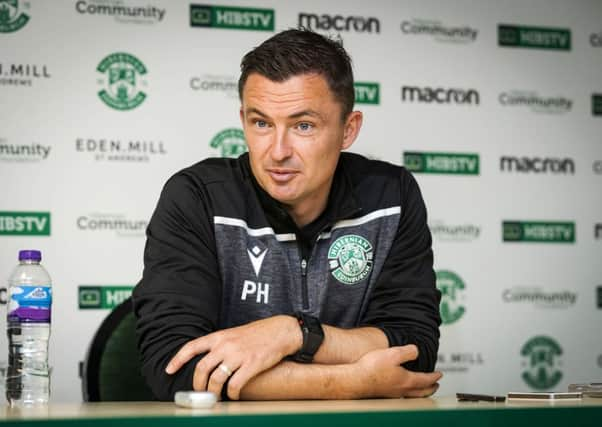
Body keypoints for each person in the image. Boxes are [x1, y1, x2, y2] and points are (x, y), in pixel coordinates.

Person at [133, 28, 442, 401]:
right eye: (261, 123)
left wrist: (291, 333)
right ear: (243, 119)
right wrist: (353, 381)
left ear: (348, 130)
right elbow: (177, 368)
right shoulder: (198, 197)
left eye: (303, 125)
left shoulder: (391, 196)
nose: (277, 151)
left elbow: (414, 351)